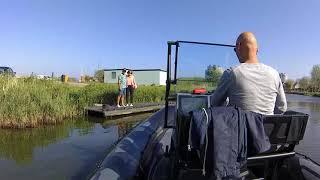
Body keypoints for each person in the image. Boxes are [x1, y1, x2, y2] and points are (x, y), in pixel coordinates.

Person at [211, 32, 287, 115]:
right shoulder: (275, 74)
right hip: (267, 128)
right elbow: (282, 108)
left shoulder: (231, 73)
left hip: (240, 127)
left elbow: (215, 105)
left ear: (238, 46)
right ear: (257, 50)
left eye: (235, 49)